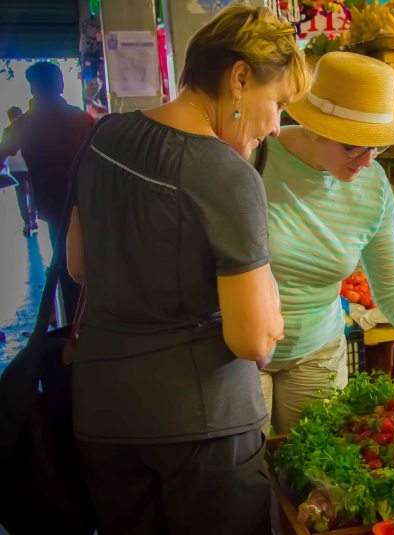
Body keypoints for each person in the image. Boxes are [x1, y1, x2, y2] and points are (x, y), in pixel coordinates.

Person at [65, 6, 308, 534]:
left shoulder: (105, 134)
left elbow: (78, 265)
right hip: (202, 431)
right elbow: (256, 341)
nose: (275, 125)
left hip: (103, 415)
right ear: (240, 78)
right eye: (279, 104)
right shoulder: (224, 173)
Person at [260, 52, 394, 434]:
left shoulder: (373, 186)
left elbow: (393, 287)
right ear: (314, 126)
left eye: (375, 147)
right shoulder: (255, 160)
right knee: (246, 477)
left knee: (310, 475)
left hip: (317, 355)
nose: (366, 162)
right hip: (241, 358)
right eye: (352, 147)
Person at [0, 62, 95, 321]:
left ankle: (74, 332)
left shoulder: (22, 126)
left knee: (66, 268)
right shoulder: (83, 119)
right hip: (92, 205)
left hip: (56, 210)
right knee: (94, 267)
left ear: (33, 89)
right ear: (61, 85)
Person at [3, 106, 37, 236]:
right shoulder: (27, 129)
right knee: (33, 192)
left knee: (21, 195)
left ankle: (27, 221)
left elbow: (4, 150)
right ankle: (33, 218)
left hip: (15, 167)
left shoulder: (7, 131)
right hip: (29, 165)